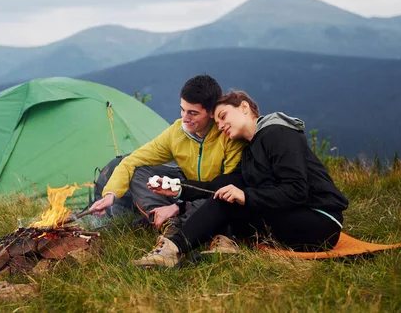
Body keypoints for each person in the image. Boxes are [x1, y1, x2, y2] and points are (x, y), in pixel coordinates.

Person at [132, 91, 349, 268]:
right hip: (295, 217)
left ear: (244, 107)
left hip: (320, 222)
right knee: (226, 194)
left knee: (231, 201)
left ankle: (172, 250)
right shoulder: (249, 151)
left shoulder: (278, 133)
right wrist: (179, 189)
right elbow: (217, 185)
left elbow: (296, 190)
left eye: (223, 116)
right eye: (217, 123)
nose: (221, 125)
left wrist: (245, 196)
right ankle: (224, 246)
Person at [88, 75, 246, 228]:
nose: (184, 118)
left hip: (213, 197)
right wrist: (110, 195)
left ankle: (177, 219)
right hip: (185, 191)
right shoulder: (177, 132)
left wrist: (179, 207)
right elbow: (132, 160)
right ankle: (164, 221)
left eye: (193, 113)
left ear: (212, 112)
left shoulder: (228, 135)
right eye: (182, 110)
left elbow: (228, 187)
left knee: (223, 198)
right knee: (138, 170)